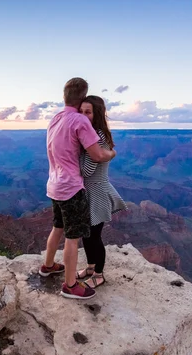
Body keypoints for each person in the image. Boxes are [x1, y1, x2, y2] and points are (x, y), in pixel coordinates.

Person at [40, 78, 116, 300]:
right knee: (73, 238)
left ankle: (47, 266)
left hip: (53, 184)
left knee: (57, 227)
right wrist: (112, 153)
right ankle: (71, 285)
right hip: (71, 187)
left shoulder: (56, 118)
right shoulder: (79, 121)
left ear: (64, 96)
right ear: (82, 97)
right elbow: (98, 155)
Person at [76, 96, 128, 288]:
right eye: (80, 111)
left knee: (94, 236)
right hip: (89, 191)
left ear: (96, 114)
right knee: (87, 234)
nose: (83, 115)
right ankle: (90, 267)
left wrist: (74, 156)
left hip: (97, 192)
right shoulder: (90, 133)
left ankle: (99, 274)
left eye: (87, 112)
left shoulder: (97, 135)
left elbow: (87, 170)